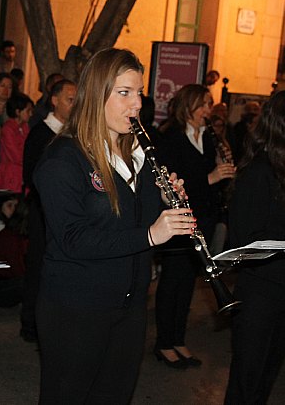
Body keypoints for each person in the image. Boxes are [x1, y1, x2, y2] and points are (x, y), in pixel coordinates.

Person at [34, 48, 195, 403]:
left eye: (138, 93)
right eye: (124, 93)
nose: (136, 105)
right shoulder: (63, 159)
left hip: (130, 305)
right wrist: (152, 234)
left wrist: (166, 202)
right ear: (96, 94)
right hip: (76, 309)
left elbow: (134, 218)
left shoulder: (138, 153)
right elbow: (74, 240)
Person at [224, 90, 285, 404]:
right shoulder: (259, 170)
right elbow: (245, 238)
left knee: (267, 376)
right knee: (247, 380)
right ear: (282, 124)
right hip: (261, 291)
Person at [154, 84, 235, 369]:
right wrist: (210, 178)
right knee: (173, 281)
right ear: (188, 106)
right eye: (202, 104)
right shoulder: (171, 138)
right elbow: (172, 182)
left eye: (209, 104)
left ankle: (178, 338)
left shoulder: (208, 138)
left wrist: (222, 170)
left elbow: (209, 175)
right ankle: (164, 342)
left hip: (205, 217)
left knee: (189, 282)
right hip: (179, 219)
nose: (207, 111)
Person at [19, 79, 76, 342]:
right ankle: (30, 323)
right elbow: (31, 176)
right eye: (69, 99)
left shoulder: (73, 134)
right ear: (54, 100)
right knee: (38, 266)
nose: (74, 105)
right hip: (42, 211)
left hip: (65, 213)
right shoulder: (41, 133)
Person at [0, 93, 33, 193]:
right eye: (28, 111)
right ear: (18, 111)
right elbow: (15, 155)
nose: (31, 114)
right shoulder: (8, 128)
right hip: (10, 175)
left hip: (22, 173)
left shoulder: (25, 127)